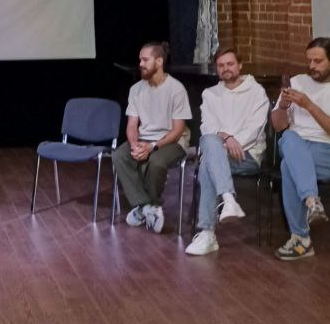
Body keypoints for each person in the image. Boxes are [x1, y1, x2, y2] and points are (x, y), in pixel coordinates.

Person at [270, 36, 330, 261]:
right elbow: (278, 126)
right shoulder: (297, 82)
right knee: (289, 138)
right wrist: (283, 107)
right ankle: (312, 201)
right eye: (309, 61)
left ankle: (301, 239)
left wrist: (309, 105)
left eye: (318, 61)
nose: (312, 66)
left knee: (288, 165)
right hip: (297, 146)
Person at [185, 46, 270, 256]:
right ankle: (229, 200)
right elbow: (207, 128)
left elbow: (256, 128)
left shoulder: (256, 92)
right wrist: (225, 139)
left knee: (207, 163)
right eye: (221, 65)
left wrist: (231, 141)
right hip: (219, 152)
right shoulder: (210, 94)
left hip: (247, 155)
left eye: (230, 64)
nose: (226, 68)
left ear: (240, 65)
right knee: (209, 146)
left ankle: (208, 234)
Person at [113, 41, 191, 233]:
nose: (140, 64)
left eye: (145, 60)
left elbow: (178, 130)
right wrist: (134, 145)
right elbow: (132, 125)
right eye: (140, 60)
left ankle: (146, 207)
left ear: (159, 61)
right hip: (144, 138)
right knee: (119, 156)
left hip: (172, 141)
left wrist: (152, 146)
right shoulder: (136, 89)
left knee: (156, 161)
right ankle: (147, 206)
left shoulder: (176, 89)